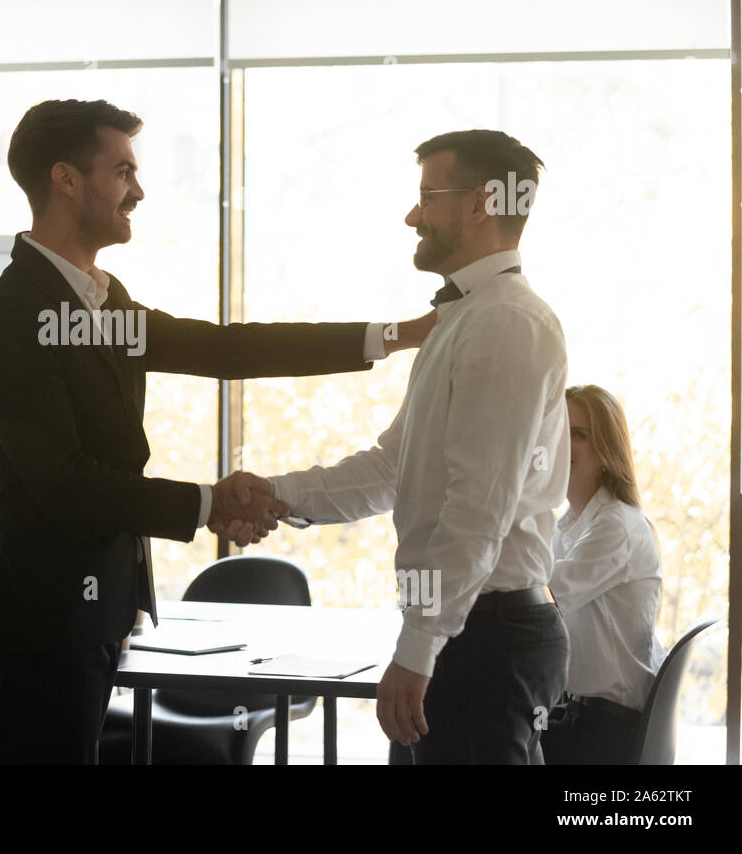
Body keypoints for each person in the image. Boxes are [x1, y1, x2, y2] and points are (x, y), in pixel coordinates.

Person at [0, 98, 434, 764]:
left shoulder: (104, 299)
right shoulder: (12, 312)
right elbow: (63, 482)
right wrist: (210, 504)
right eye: (122, 170)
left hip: (92, 612)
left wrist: (395, 336)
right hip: (44, 618)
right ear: (66, 179)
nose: (139, 190)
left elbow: (223, 349)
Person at [232, 129, 570, 764]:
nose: (412, 215)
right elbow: (393, 469)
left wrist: (418, 649)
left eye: (428, 196)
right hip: (465, 631)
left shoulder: (504, 324)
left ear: (480, 205)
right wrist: (278, 494)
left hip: (484, 636)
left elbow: (478, 510)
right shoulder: (464, 319)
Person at [541, 385, 667, 764]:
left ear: (607, 451)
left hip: (603, 731)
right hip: (577, 717)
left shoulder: (616, 526)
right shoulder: (568, 526)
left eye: (576, 434)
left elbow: (542, 597)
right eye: (556, 430)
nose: (561, 442)